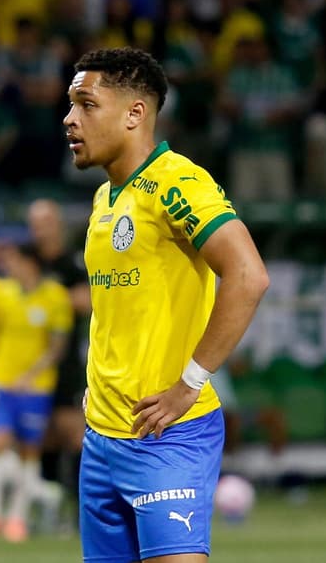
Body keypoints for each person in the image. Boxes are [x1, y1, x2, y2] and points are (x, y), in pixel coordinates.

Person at [64, 47, 269, 562]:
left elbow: (247, 275)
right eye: (70, 105)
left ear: (135, 114)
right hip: (103, 439)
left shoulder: (176, 181)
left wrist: (189, 384)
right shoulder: (106, 198)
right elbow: (123, 309)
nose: (69, 119)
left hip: (167, 436)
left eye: (86, 104)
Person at [0, 243, 73, 543]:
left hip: (36, 388)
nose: (8, 266)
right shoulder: (1, 293)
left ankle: (17, 517)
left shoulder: (54, 296)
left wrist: (30, 376)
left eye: (13, 260)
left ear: (30, 264)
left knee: (30, 452)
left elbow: (57, 346)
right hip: (0, 382)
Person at [27, 198, 90, 526]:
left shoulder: (72, 263)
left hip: (64, 361)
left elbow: (89, 301)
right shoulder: (27, 260)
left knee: (73, 433)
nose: (39, 229)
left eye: (45, 222)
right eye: (34, 223)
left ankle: (81, 509)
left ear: (57, 224)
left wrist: (52, 299)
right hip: (26, 361)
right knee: (42, 435)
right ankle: (46, 510)